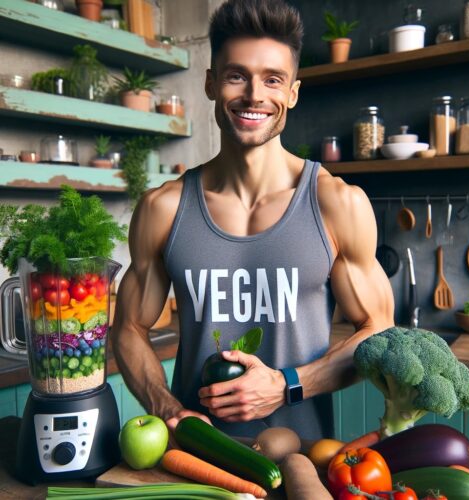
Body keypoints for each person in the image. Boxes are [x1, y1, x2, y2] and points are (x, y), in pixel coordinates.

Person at [113, 0, 394, 441]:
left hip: (304, 467)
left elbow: (378, 330)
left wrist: (287, 385)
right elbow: (128, 327)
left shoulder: (337, 204)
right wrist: (166, 408)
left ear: (293, 93)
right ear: (211, 83)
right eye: (237, 75)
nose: (254, 96)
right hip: (197, 463)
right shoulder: (163, 209)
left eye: (273, 80)